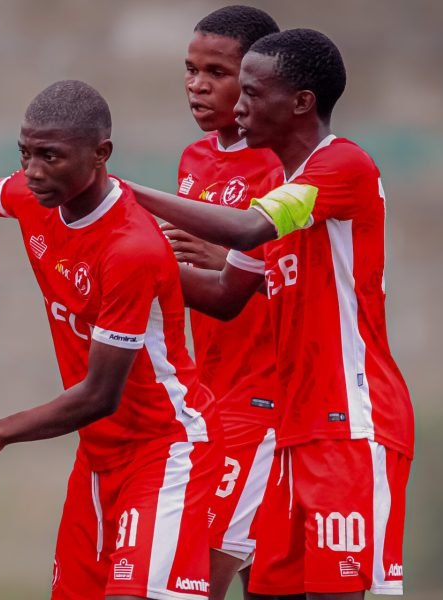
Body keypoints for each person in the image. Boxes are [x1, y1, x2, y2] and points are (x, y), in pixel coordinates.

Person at [0, 80, 225, 600]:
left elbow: (98, 394)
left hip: (165, 452)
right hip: (97, 458)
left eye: (50, 156)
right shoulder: (32, 194)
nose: (33, 170)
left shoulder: (131, 248)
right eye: (25, 154)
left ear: (100, 154)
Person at [129, 29, 414, 598]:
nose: (237, 106)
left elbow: (249, 227)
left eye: (251, 93)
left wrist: (112, 190)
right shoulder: (283, 182)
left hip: (350, 424)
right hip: (293, 427)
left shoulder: (340, 167)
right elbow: (227, 294)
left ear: (301, 102)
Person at [173, 7, 284, 599]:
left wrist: (236, 264)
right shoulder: (195, 160)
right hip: (212, 393)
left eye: (217, 71)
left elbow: (318, 284)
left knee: (196, 575)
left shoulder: (285, 168)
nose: (198, 83)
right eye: (191, 69)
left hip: (262, 400)